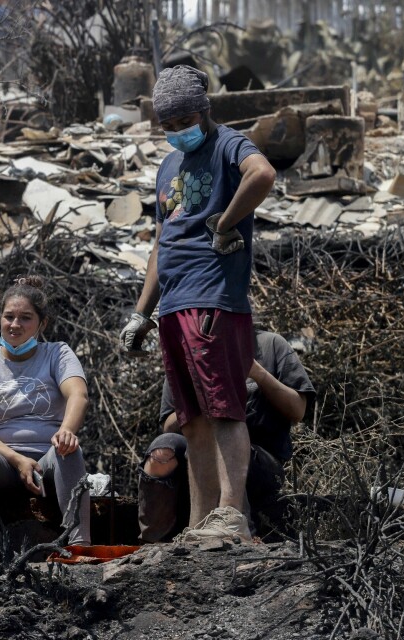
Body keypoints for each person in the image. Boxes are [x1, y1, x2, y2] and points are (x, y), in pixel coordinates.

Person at [119, 65, 277, 544]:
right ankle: (201, 521)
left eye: (183, 121)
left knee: (224, 408)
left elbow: (263, 173)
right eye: (167, 125)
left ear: (204, 111)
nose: (176, 132)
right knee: (191, 419)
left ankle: (231, 513)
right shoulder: (168, 167)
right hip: (173, 304)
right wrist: (141, 313)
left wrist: (227, 222)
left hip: (213, 296)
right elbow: (160, 242)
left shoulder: (229, 144)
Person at [0, 276, 91, 573]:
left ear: (42, 324)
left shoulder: (58, 353)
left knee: (70, 449)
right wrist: (16, 460)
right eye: (9, 316)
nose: (15, 325)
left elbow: (77, 394)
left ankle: (78, 549)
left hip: (48, 457)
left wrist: (66, 430)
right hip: (2, 460)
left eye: (25, 318)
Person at [138, 329, 316, 542]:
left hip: (262, 460)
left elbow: (298, 410)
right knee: (162, 449)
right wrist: (198, 398)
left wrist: (258, 374)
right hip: (197, 453)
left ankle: (240, 530)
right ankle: (153, 541)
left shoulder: (270, 345)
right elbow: (168, 425)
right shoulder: (185, 355)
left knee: (219, 443)